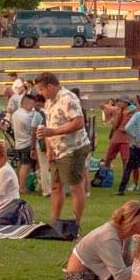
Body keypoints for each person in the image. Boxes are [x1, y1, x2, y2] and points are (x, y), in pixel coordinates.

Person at [63, 200, 140, 280]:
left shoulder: (124, 233)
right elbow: (121, 276)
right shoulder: (109, 237)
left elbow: (127, 264)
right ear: (135, 222)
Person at [34, 72, 90, 233]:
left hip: (73, 149)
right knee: (56, 186)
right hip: (57, 150)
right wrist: (50, 147)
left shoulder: (68, 98)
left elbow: (78, 122)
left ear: (50, 86)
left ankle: (75, 223)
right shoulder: (49, 102)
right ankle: (54, 220)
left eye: (42, 89)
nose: (41, 93)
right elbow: (48, 125)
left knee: (75, 187)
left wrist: (54, 132)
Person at [9, 94, 40, 193]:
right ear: (26, 103)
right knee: (25, 166)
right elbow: (32, 129)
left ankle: (18, 184)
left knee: (21, 164)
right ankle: (22, 187)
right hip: (26, 142)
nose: (33, 106)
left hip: (18, 142)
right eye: (32, 104)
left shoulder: (15, 114)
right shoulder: (26, 116)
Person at [101, 98, 133, 174]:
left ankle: (125, 177)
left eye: (121, 101)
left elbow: (126, 128)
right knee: (108, 157)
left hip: (125, 140)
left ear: (126, 103)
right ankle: (104, 175)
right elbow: (103, 107)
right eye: (118, 101)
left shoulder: (130, 114)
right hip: (116, 139)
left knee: (125, 159)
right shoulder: (117, 111)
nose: (118, 103)